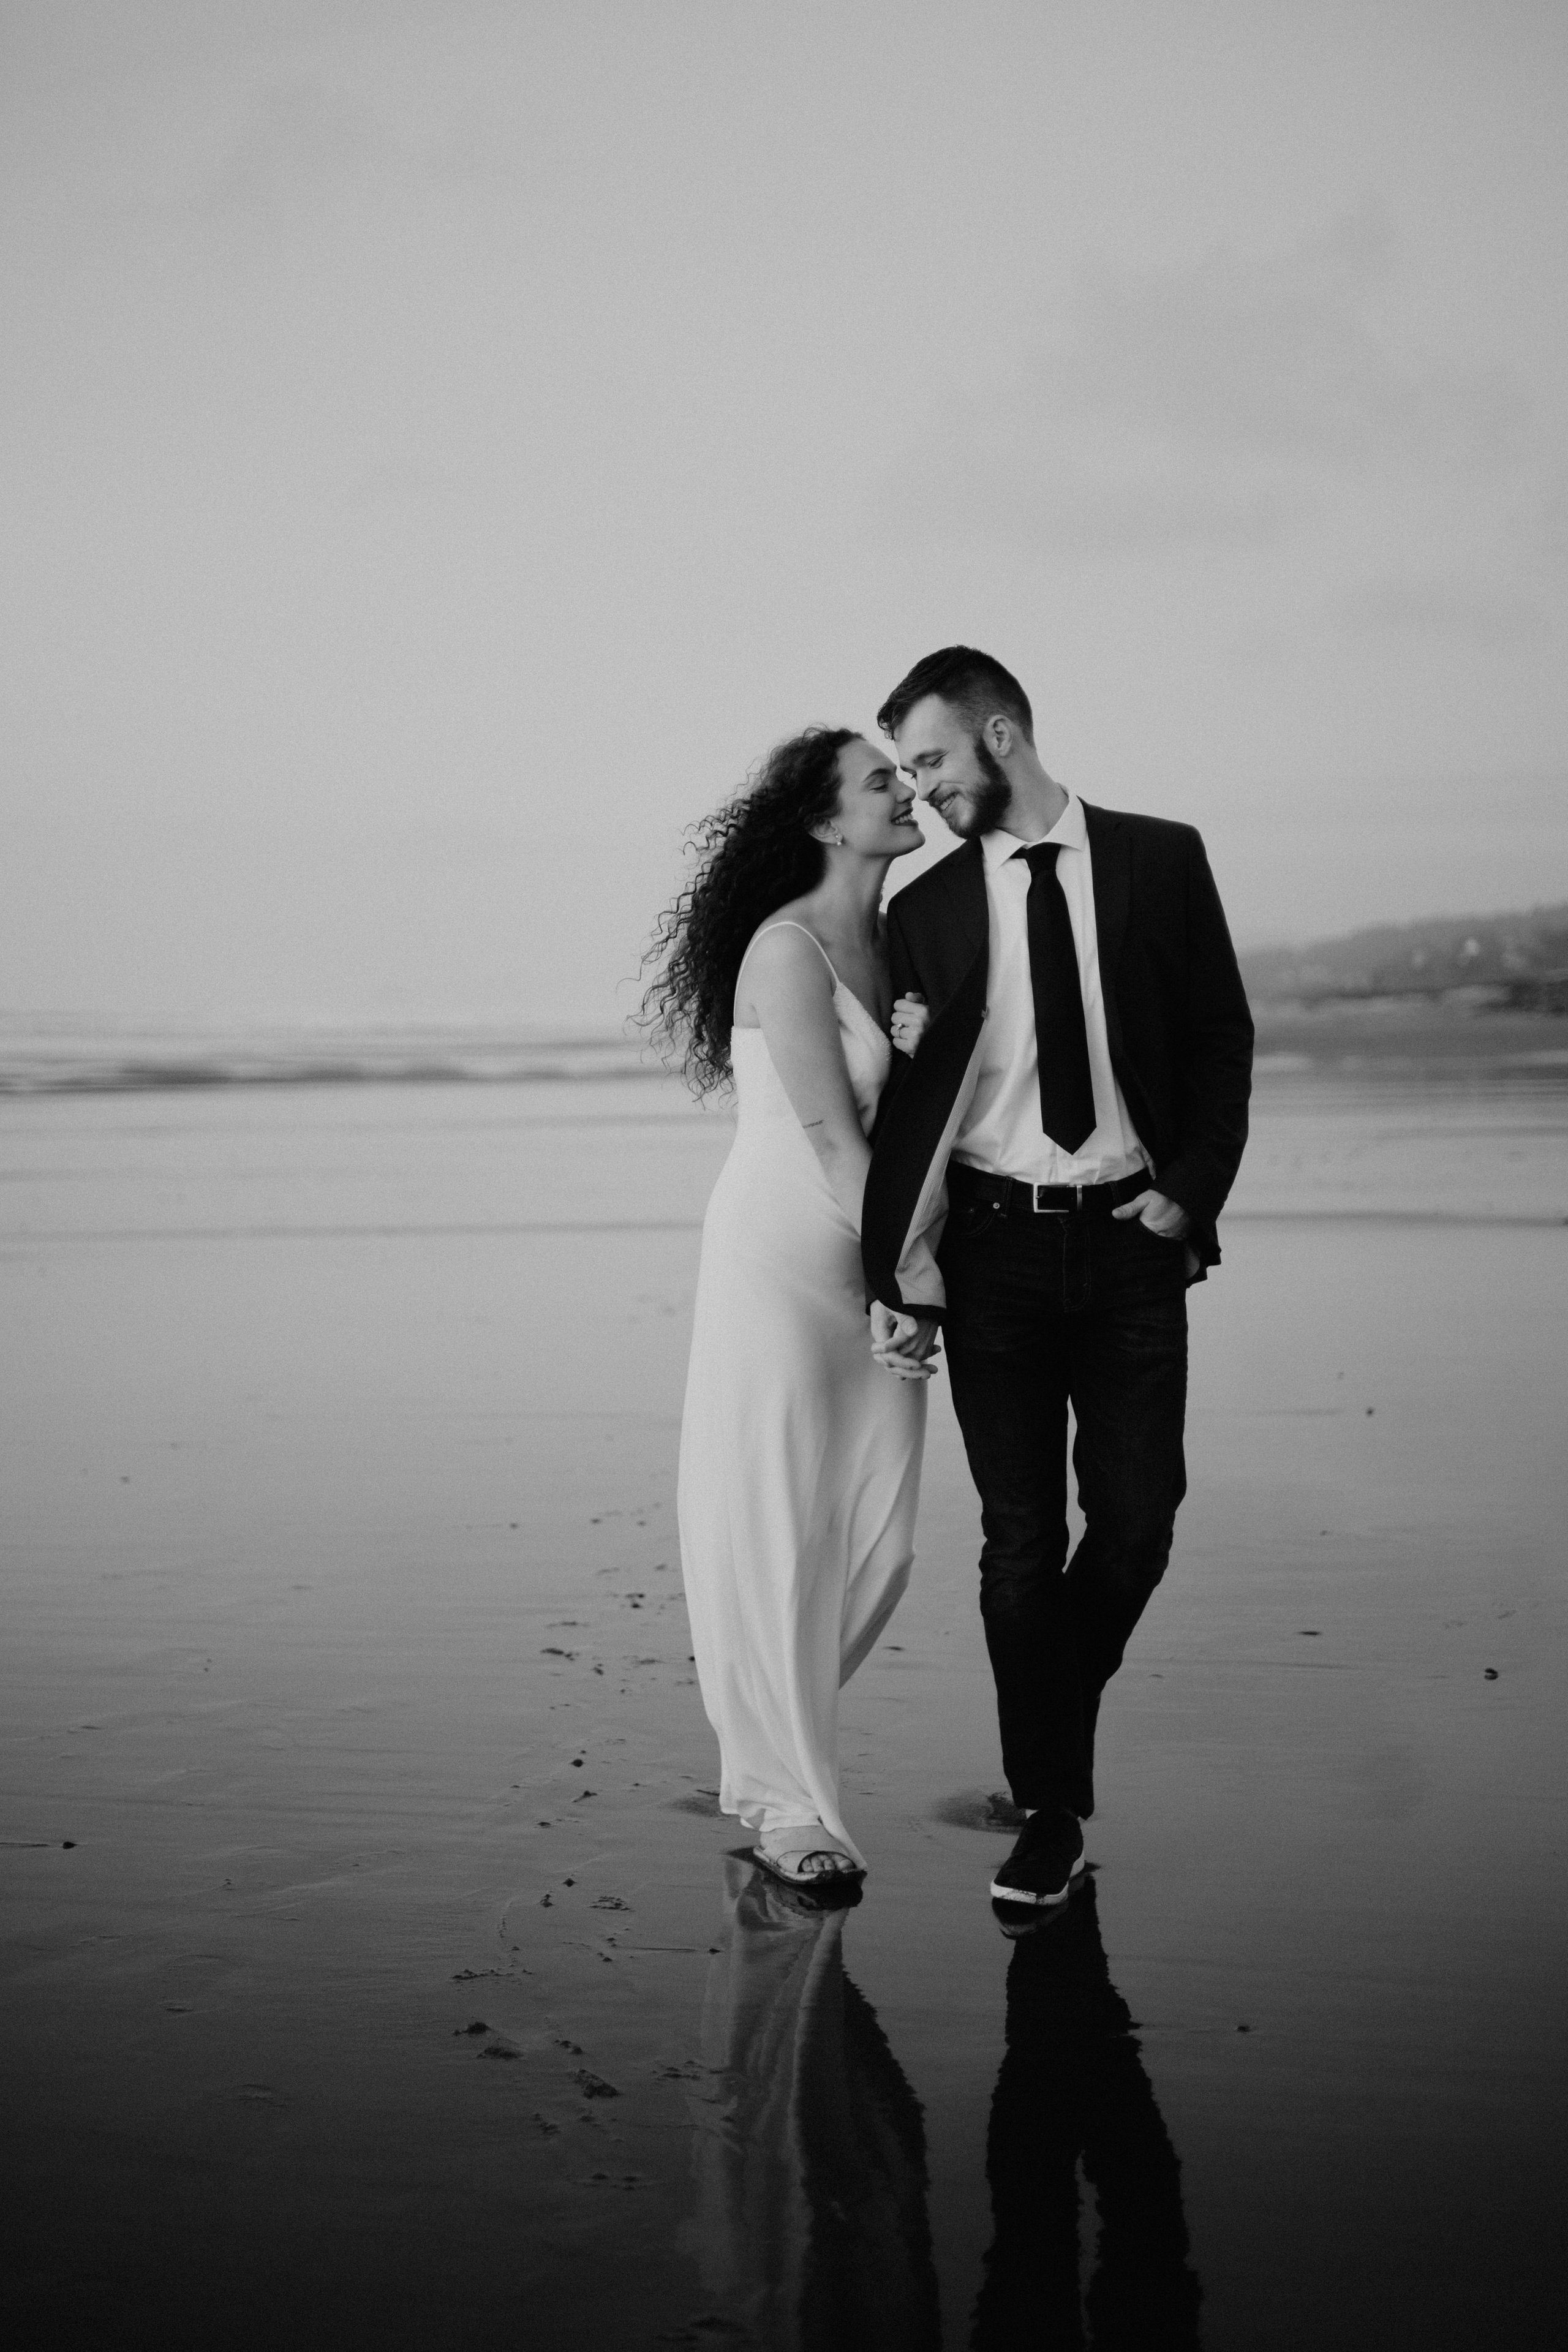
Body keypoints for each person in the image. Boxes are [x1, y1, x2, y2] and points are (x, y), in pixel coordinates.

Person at [862, 647, 1253, 1909]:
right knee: (1020, 1542)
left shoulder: (1159, 856)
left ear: (998, 733)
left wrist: (1187, 1189)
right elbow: (895, 1098)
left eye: (928, 758)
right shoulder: (918, 911)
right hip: (993, 1251)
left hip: (1132, 1236)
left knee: (1136, 1520)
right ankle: (1049, 1808)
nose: (918, 789)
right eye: (906, 769)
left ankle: (1046, 1706)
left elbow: (1215, 1038)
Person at [645, 726, 935, 1888]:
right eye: (882, 782)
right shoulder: (788, 950)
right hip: (787, 1258)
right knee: (773, 1516)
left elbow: (920, 1121)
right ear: (825, 823)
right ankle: (783, 1804)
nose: (906, 791)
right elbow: (830, 1138)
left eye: (905, 774)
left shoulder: (903, 941)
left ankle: (775, 1739)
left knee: (881, 1536)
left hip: (878, 1251)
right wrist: (903, 1283)